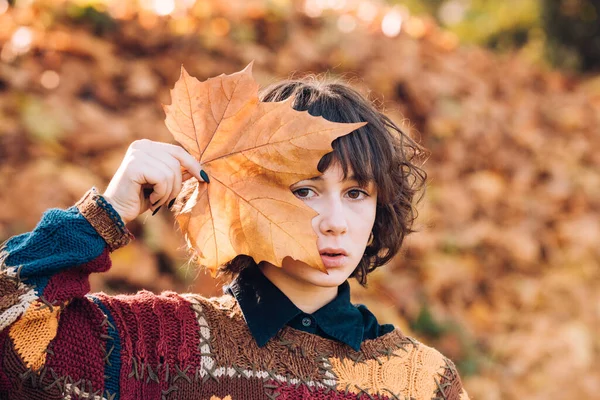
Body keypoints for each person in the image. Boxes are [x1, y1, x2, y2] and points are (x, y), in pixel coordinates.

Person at [0, 77, 470, 399]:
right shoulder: (159, 343)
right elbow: (13, 354)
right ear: (242, 199)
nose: (335, 221)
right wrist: (103, 216)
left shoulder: (422, 383)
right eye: (305, 190)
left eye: (355, 193)